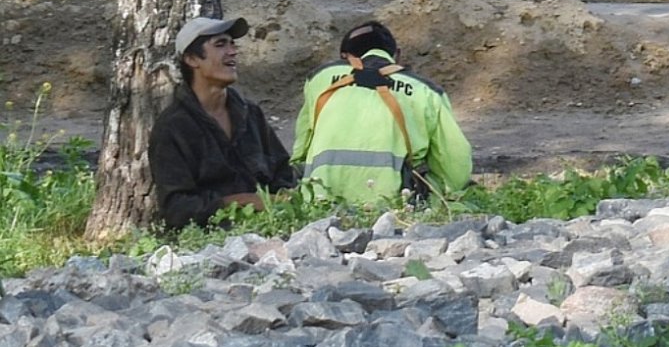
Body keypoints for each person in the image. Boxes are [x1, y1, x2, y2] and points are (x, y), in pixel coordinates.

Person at [292, 20, 473, 204]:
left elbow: (302, 148)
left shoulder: (319, 78)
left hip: (321, 196)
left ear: (344, 57)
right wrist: (442, 197)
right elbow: (456, 161)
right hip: (392, 202)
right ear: (397, 55)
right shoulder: (426, 91)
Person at [149, 16, 297, 229]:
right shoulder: (173, 127)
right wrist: (239, 202)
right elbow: (176, 209)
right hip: (209, 246)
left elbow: (283, 173)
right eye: (220, 44)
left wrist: (285, 200)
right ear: (192, 59)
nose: (232, 51)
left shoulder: (251, 114)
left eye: (232, 43)